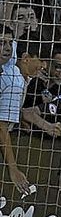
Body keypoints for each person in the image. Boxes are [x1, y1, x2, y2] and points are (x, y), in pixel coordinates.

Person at [0, 27, 30, 195]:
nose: (7, 48)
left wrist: (13, 169)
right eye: (1, 43)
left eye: (10, 43)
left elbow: (1, 127)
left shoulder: (12, 79)